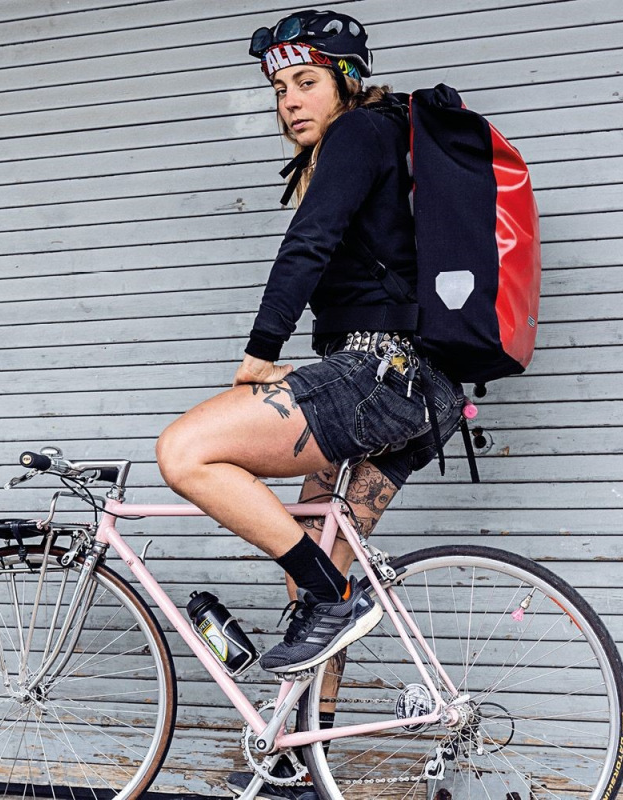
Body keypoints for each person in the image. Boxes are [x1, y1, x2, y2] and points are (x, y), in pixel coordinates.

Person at [156, 9, 465, 798]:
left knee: (185, 452)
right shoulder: (379, 139)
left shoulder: (359, 133)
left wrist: (259, 354)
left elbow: (309, 244)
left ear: (346, 82)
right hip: (419, 389)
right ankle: (302, 750)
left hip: (382, 375)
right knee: (317, 559)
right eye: (279, 89)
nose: (290, 100)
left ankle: (337, 598)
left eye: (306, 82)